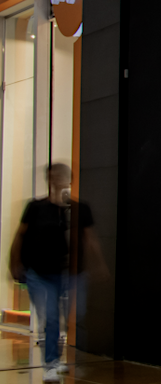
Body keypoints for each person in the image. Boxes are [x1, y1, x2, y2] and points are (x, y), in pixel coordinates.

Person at [9, 163, 106, 382]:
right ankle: (51, 362)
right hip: (41, 273)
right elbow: (21, 235)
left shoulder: (79, 209)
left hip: (72, 274)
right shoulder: (36, 207)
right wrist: (14, 262)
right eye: (54, 177)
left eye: (62, 177)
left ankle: (66, 360)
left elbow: (90, 238)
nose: (58, 181)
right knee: (51, 318)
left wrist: (99, 264)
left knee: (75, 315)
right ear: (49, 180)